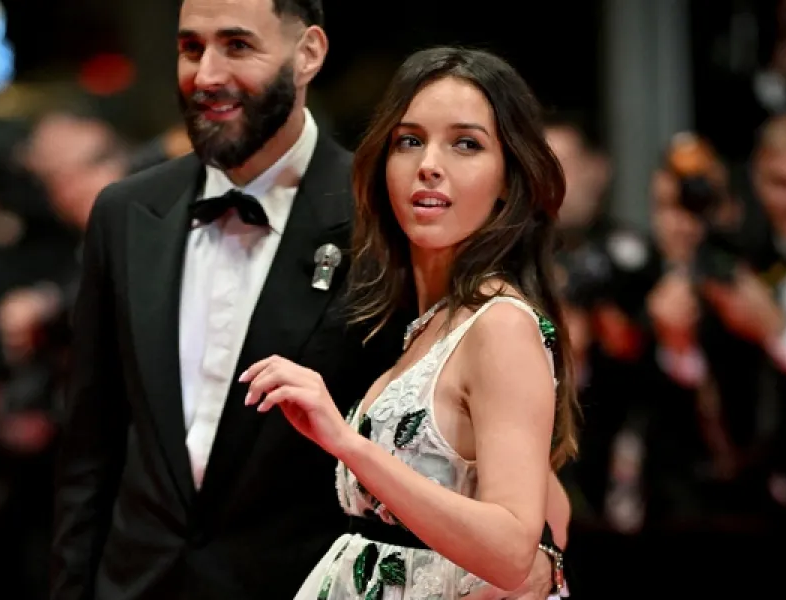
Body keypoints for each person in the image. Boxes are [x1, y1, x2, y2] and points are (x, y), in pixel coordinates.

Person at [52, 2, 565, 599]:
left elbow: (519, 507)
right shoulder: (124, 213)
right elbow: (90, 447)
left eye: (237, 46)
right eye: (191, 48)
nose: (208, 73)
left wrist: (538, 560)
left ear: (309, 53)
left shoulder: (390, 224)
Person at [239, 46, 578, 599]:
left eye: (466, 144)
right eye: (410, 140)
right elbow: (552, 515)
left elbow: (518, 551)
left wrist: (350, 445)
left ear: (509, 179)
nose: (429, 164)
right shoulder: (432, 324)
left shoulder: (500, 325)